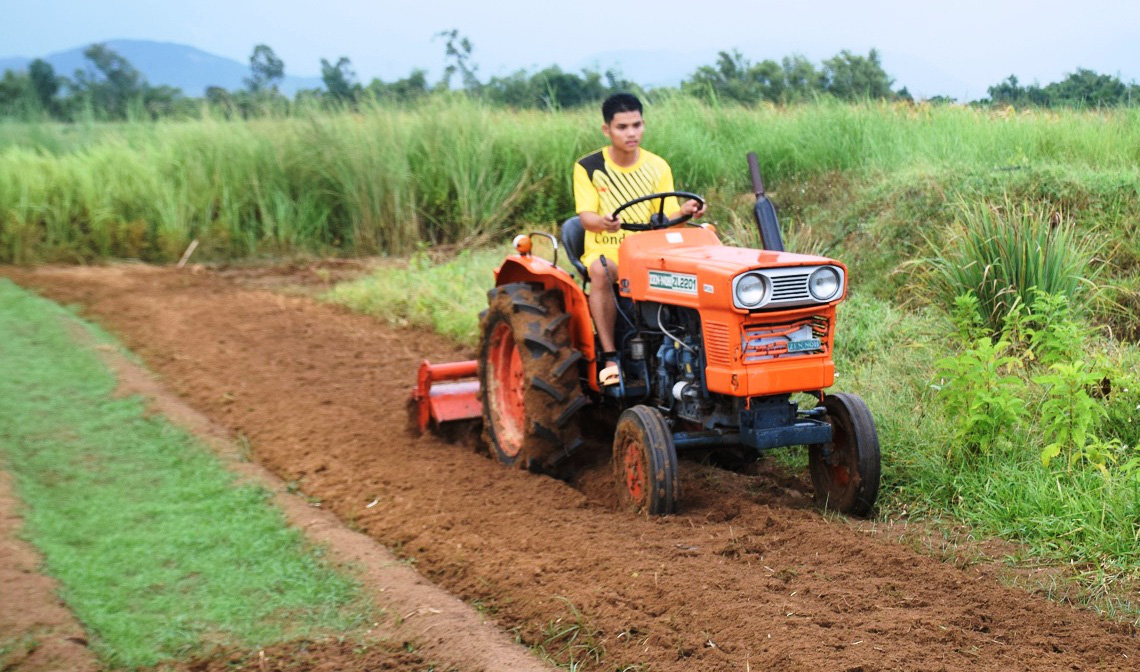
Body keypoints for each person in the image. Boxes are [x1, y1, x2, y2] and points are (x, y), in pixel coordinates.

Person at [571, 93, 706, 385]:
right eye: (622, 127)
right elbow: (585, 218)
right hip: (608, 250)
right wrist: (603, 222)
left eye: (636, 125)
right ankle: (610, 357)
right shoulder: (589, 167)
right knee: (600, 270)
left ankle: (691, 350)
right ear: (607, 130)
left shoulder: (658, 166)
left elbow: (666, 217)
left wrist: (686, 211)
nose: (631, 133)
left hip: (649, 249)